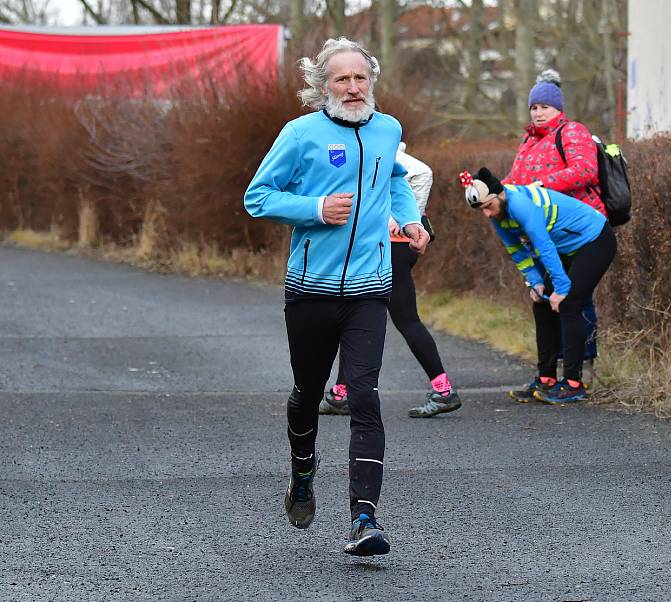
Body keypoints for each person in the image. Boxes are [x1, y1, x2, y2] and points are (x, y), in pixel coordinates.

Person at [243, 37, 429, 557]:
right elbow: (258, 197)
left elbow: (395, 178)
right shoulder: (300, 133)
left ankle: (363, 518)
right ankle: (303, 471)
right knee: (307, 393)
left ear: (372, 81)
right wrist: (316, 207)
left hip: (370, 287)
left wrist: (411, 220)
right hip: (311, 290)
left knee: (365, 397)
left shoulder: (388, 129)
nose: (352, 88)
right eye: (341, 79)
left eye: (360, 78)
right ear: (323, 85)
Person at [319, 143, 462, 419]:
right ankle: (340, 394)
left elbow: (423, 173)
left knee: (406, 319)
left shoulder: (377, 144)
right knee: (355, 315)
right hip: (376, 246)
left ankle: (443, 391)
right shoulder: (351, 146)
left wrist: (407, 217)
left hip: (393, 247)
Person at [459, 167, 616, 404]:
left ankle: (574, 383)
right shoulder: (498, 214)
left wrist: (561, 289)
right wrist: (535, 283)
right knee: (541, 304)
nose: (488, 215)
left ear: (499, 195)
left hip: (595, 241)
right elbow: (517, 252)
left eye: (488, 207)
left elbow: (544, 247)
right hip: (568, 249)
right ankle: (547, 379)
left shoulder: (521, 205)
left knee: (569, 303)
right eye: (482, 210)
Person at [502, 69, 605, 403]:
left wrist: (541, 187)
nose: (538, 112)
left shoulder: (572, 131)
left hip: (580, 229)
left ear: (558, 108)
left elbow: (585, 170)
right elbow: (515, 182)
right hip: (547, 234)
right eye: (534, 107)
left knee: (574, 299)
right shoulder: (529, 141)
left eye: (545, 106)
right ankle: (548, 375)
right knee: (545, 299)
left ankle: (581, 373)